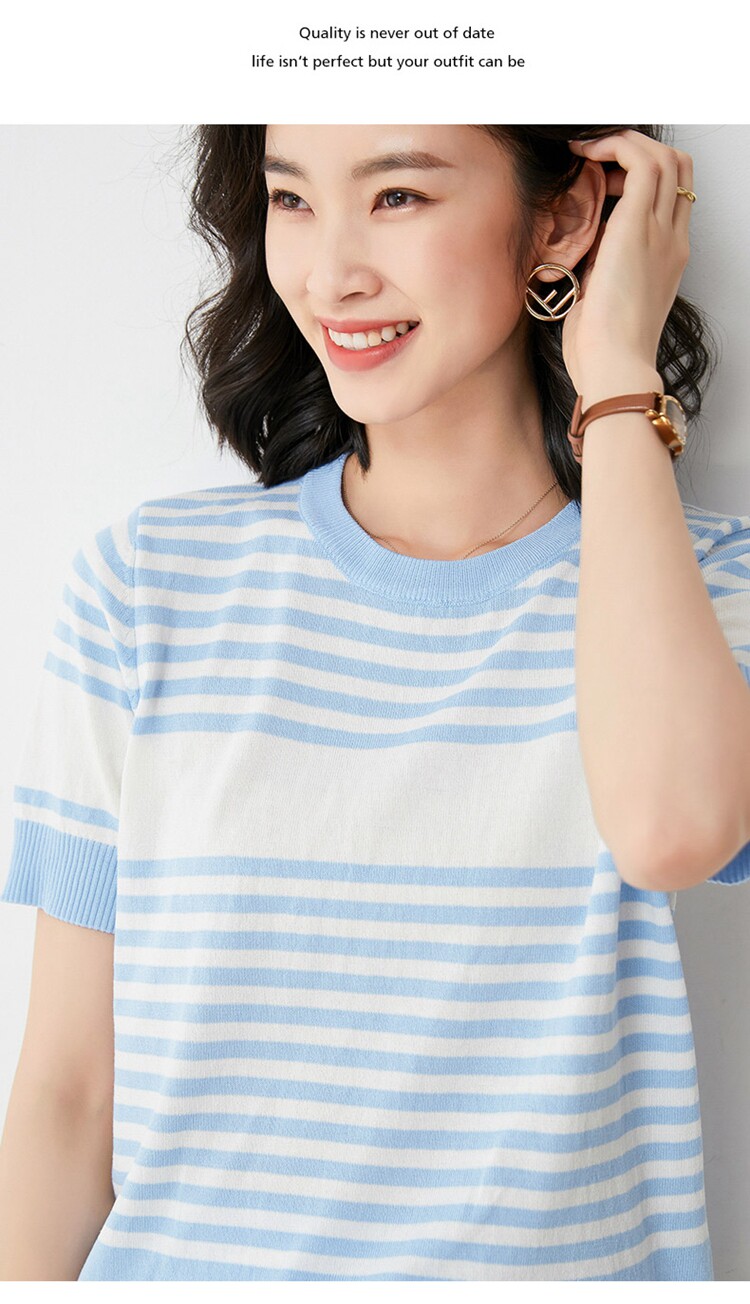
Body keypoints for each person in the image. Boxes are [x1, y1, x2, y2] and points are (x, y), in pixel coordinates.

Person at [1, 123, 749, 1282]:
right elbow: (66, 1093)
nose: (331, 272)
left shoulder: (701, 589)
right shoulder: (149, 584)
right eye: (292, 200)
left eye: (397, 195)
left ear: (561, 216)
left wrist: (615, 377)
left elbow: (671, 830)